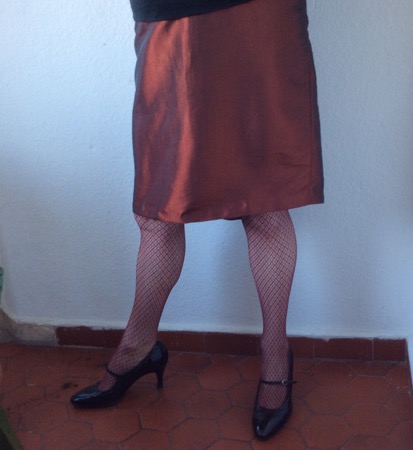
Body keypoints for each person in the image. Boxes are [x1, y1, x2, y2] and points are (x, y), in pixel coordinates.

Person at [70, 0, 323, 441]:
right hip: (167, 17)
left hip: (259, 16)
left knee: (265, 201)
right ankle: (138, 347)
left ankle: (275, 353)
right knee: (158, 212)